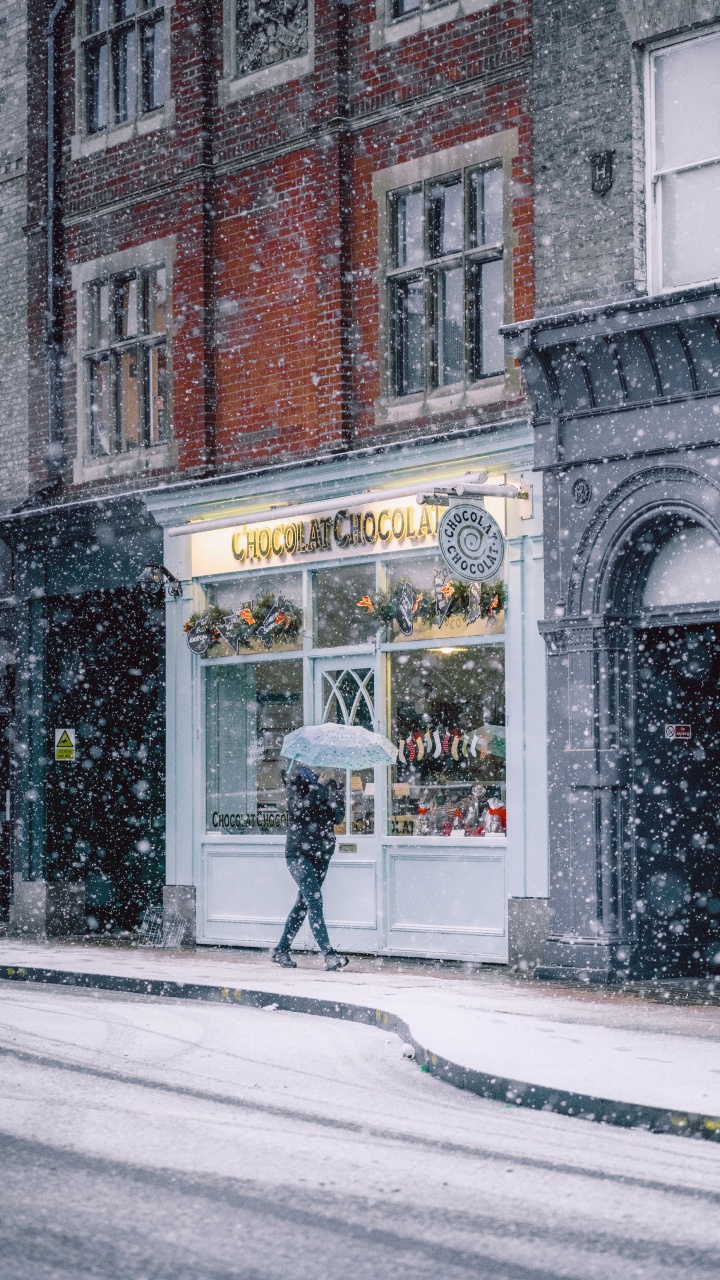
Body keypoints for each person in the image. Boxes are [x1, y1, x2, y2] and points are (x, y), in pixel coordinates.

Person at [271, 763, 349, 971]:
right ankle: (329, 955)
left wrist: (336, 794)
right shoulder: (295, 781)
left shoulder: (332, 783)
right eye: (318, 763)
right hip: (299, 852)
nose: (322, 766)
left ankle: (281, 950)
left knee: (303, 904)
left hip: (322, 853)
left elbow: (338, 818)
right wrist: (319, 788)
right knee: (314, 900)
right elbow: (299, 811)